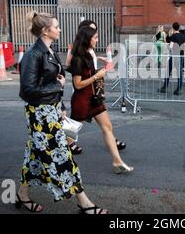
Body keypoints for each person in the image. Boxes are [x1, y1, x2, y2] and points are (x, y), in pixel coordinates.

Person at [18, 11, 107, 214]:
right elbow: (27, 90)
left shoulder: (49, 50)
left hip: (52, 109)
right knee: (62, 155)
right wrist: (57, 87)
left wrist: (61, 106)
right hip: (40, 114)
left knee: (34, 155)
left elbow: (54, 77)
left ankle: (22, 195)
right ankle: (84, 203)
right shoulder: (34, 54)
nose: (59, 29)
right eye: (56, 27)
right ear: (45, 31)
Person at [70, 26, 134, 174]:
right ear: (87, 39)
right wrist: (96, 76)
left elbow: (90, 76)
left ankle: (117, 162)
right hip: (82, 100)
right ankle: (51, 158)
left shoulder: (88, 54)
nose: (97, 40)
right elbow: (77, 84)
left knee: (108, 127)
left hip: (94, 99)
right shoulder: (78, 59)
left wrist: (100, 71)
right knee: (69, 136)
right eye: (95, 37)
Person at [65, 20, 126, 154]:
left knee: (106, 125)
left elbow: (89, 65)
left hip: (94, 91)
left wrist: (98, 59)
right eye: (94, 34)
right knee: (75, 122)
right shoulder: (78, 55)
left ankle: (114, 150)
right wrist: (96, 76)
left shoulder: (90, 50)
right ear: (85, 34)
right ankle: (67, 142)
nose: (97, 38)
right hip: (83, 93)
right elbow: (72, 68)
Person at [160, 22, 185, 95]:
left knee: (168, 71)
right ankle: (178, 89)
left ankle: (164, 87)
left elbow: (171, 46)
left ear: (173, 28)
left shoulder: (174, 36)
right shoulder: (183, 35)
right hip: (180, 56)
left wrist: (168, 47)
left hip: (174, 55)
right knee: (179, 73)